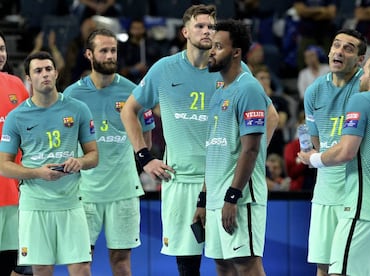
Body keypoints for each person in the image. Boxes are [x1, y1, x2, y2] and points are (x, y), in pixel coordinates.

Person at [120, 5, 278, 275]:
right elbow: (129, 110)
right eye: (200, 26)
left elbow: (270, 115)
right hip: (180, 179)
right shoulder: (164, 69)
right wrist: (144, 157)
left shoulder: (232, 69)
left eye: (211, 27)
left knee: (234, 261)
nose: (207, 31)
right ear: (185, 32)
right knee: (189, 261)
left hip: (224, 179)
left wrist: (249, 154)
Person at [299, 51, 370, 276]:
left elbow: (346, 151)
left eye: (365, 72)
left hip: (363, 210)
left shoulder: (362, 100)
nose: (360, 78)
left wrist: (313, 158)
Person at [63, 28, 154, 276]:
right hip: (84, 192)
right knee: (81, 259)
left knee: (121, 260)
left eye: (113, 50)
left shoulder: (133, 91)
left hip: (123, 190)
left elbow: (145, 134)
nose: (110, 55)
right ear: (89, 55)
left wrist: (135, 162)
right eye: (104, 50)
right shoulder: (72, 95)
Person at [0, 51, 98, 276]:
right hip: (35, 206)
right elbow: (3, 165)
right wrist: (37, 173)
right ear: (29, 78)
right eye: (38, 71)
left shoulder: (78, 109)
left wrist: (79, 162)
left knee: (82, 268)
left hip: (71, 203)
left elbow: (93, 156)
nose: (44, 74)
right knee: (42, 270)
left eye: (48, 69)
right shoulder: (17, 117)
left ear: (56, 73)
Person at [200, 18, 273, 275]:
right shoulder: (220, 91)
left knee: (246, 264)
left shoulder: (250, 88)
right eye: (212, 46)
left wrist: (232, 196)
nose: (211, 51)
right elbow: (214, 151)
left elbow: (251, 150)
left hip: (240, 198)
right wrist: (203, 198)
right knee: (222, 265)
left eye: (218, 46)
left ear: (236, 52)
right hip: (216, 198)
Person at [303, 28, 367, 276]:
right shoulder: (314, 91)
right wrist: (315, 157)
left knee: (350, 269)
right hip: (325, 192)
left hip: (356, 190)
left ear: (360, 59)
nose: (339, 51)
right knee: (324, 267)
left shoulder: (364, 88)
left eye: (348, 48)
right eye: (336, 45)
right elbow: (316, 143)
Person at [0, 31, 32, 276]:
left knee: (16, 268)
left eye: (2, 49)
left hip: (14, 194)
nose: (1, 54)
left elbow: (31, 134)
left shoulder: (16, 85)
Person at [293, 0, 338, 70]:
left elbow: (331, 13)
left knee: (330, 63)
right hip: (307, 34)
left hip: (326, 34)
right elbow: (301, 11)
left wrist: (310, 14)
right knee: (303, 61)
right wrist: (321, 10)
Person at [118, 18, 161, 84]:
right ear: (130, 29)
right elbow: (120, 70)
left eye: (139, 28)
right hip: (128, 81)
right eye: (134, 28)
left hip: (147, 81)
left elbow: (159, 66)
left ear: (144, 29)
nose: (137, 31)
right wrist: (132, 69)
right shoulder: (123, 47)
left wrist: (148, 68)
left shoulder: (152, 46)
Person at [283, 110, 316, 191]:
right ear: (298, 124)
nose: (308, 128)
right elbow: (291, 173)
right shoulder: (291, 147)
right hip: (300, 190)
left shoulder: (321, 144)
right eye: (304, 124)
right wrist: (306, 160)